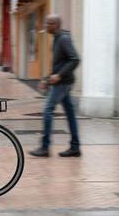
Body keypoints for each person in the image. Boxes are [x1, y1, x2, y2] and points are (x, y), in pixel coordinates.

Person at [29, 14, 81, 157]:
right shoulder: (57, 39)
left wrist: (59, 76)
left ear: (56, 25)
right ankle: (75, 147)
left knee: (47, 110)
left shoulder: (63, 39)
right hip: (62, 82)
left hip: (63, 83)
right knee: (70, 114)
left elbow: (75, 59)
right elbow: (59, 64)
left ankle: (45, 147)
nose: (46, 26)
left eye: (48, 24)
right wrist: (47, 79)